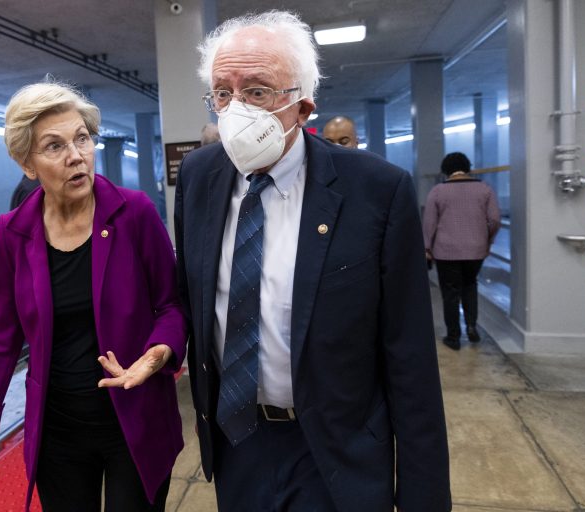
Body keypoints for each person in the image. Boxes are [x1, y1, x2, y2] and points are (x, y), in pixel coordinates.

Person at [175, 10, 451, 512]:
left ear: (302, 106)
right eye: (222, 93)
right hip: (238, 440)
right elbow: (191, 299)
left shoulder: (376, 191)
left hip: (335, 450)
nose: (235, 110)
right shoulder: (199, 177)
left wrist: (423, 496)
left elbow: (410, 358)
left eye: (256, 91)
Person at [0, 82, 187, 512]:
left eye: (82, 138)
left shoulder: (135, 214)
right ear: (27, 164)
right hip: (58, 427)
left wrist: (155, 356)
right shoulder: (12, 233)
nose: (76, 155)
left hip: (134, 417)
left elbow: (171, 305)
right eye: (54, 146)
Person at [423, 152, 500, 351]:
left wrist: (427, 248)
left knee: (450, 292)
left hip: (446, 251)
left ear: (445, 171)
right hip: (476, 250)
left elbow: (429, 223)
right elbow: (494, 220)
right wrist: (487, 239)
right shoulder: (485, 189)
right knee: (470, 285)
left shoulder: (438, 191)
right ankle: (472, 327)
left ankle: (454, 336)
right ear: (468, 168)